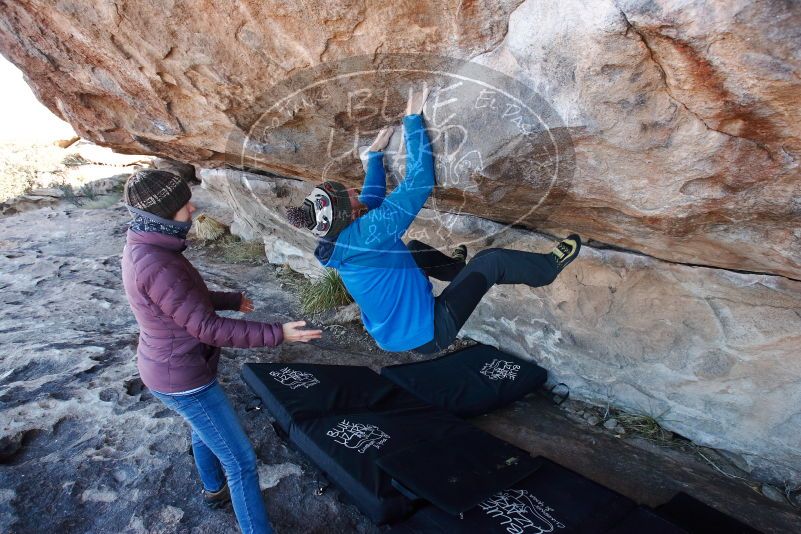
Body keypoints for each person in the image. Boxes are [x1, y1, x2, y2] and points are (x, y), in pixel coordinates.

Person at [286, 87, 581, 354]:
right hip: (430, 333)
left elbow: (369, 203)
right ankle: (547, 269)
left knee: (414, 249)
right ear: (345, 214)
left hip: (393, 334)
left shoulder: (341, 239)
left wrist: (375, 155)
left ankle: (454, 269)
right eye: (347, 194)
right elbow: (420, 181)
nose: (352, 190)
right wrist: (412, 121)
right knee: (491, 262)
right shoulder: (367, 235)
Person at [121, 169, 321, 534]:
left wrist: (229, 299)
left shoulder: (143, 247)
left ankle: (214, 490)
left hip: (170, 366)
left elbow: (180, 301)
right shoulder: (157, 263)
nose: (193, 207)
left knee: (204, 428)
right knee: (241, 460)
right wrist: (279, 334)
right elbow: (206, 327)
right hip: (182, 375)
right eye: (183, 205)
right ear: (162, 215)